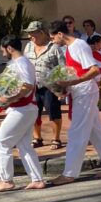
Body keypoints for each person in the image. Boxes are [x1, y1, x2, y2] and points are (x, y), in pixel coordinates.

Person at [49, 20, 101, 185]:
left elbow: (94, 69)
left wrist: (72, 83)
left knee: (76, 133)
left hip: (85, 92)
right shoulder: (71, 47)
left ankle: (69, 173)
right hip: (81, 92)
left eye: (53, 38)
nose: (53, 41)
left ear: (60, 34)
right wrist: (68, 87)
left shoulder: (78, 45)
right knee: (97, 132)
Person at [0, 36, 45, 192]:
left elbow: (26, 86)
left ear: (9, 48)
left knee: (1, 143)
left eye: (2, 49)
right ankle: (37, 179)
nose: (2, 53)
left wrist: (9, 98)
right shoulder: (21, 63)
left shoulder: (21, 64)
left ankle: (6, 180)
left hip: (22, 109)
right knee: (24, 145)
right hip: (25, 108)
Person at [24, 21, 64, 149]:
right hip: (32, 86)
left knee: (53, 112)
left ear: (41, 33)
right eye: (29, 34)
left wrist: (62, 88)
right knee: (34, 113)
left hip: (50, 86)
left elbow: (62, 68)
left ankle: (56, 138)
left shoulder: (54, 48)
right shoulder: (28, 47)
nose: (30, 37)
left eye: (32, 34)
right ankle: (37, 138)